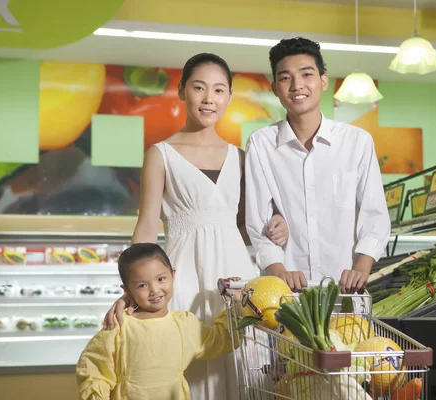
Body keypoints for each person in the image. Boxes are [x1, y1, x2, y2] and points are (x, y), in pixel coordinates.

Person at [102, 53, 289, 400]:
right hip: (182, 272)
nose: (209, 98)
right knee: (186, 363)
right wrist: (132, 291)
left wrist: (278, 224)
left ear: (230, 97)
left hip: (236, 275)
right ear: (181, 91)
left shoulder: (241, 157)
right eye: (199, 88)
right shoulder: (160, 153)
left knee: (241, 361)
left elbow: (250, 224)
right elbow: (145, 228)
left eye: (219, 90)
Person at [245, 37, 391, 294]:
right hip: (283, 294)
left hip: (345, 290)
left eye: (306, 74)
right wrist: (280, 273)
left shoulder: (356, 142)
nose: (297, 85)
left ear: (323, 81)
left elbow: (375, 215)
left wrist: (362, 267)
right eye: (286, 78)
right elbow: (258, 221)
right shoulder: (261, 144)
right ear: (275, 88)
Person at [77, 243, 241, 400]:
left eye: (161, 279)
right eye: (142, 285)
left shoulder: (184, 324)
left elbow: (219, 340)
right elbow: (94, 369)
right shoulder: (118, 325)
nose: (154, 290)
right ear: (127, 290)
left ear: (173, 275)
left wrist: (238, 304)